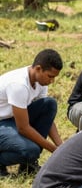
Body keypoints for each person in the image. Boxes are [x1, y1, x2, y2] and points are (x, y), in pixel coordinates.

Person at [0, 49, 64, 177]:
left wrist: (61, 147)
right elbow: (23, 128)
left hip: (12, 118)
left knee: (49, 104)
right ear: (39, 69)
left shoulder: (40, 81)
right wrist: (53, 149)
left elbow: (47, 119)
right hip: (3, 122)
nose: (52, 81)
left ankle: (28, 165)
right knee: (31, 150)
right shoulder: (18, 85)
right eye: (50, 76)